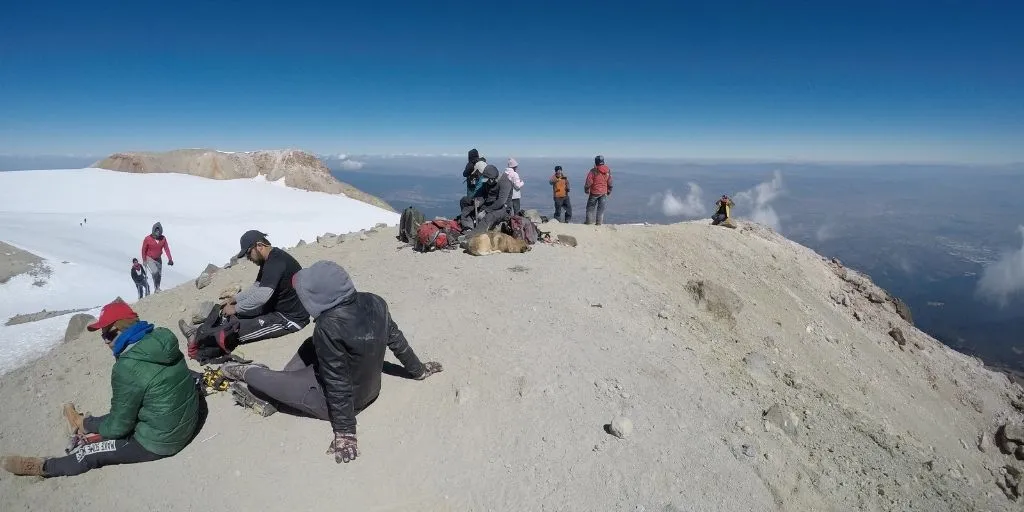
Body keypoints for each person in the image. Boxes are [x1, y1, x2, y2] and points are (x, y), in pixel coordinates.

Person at [218, 260, 443, 463]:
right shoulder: (376, 301)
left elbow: (337, 381)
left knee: (265, 378)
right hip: (371, 391)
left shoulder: (328, 326)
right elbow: (397, 341)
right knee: (310, 344)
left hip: (335, 403)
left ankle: (238, 370)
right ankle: (282, 388)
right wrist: (419, 371)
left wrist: (346, 432)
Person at [0, 300, 200, 478]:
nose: (105, 340)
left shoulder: (127, 367)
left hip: (161, 442)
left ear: (125, 329)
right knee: (119, 414)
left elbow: (119, 427)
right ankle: (81, 423)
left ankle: (43, 466)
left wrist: (108, 430)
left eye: (109, 334)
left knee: (89, 453)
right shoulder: (162, 339)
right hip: (184, 421)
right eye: (103, 335)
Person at [179, 230, 310, 363]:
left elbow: (262, 296)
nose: (248, 258)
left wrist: (236, 308)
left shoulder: (276, 262)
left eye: (248, 253)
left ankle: (200, 352)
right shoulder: (269, 260)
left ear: (259, 246)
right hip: (274, 308)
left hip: (289, 318)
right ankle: (198, 333)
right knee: (226, 314)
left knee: (234, 333)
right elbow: (257, 287)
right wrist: (235, 299)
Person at [458, 164, 513, 237]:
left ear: (493, 178)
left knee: (489, 216)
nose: (487, 182)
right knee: (466, 207)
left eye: (489, 180)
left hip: (503, 208)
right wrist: (478, 201)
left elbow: (501, 201)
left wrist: (485, 211)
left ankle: (474, 235)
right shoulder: (488, 180)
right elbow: (483, 194)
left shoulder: (505, 182)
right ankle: (468, 228)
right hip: (489, 204)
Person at [140, 222, 173, 293]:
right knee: (155, 272)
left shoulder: (163, 239)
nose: (157, 232)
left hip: (158, 259)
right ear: (153, 230)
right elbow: (143, 250)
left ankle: (157, 288)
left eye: (159, 231)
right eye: (156, 230)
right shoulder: (147, 239)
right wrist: (144, 260)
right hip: (150, 258)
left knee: (159, 274)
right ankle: (156, 287)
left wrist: (170, 259)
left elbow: (166, 248)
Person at [584, 155, 613, 225]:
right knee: (601, 209)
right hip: (603, 192)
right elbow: (610, 182)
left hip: (594, 192)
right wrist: (609, 190)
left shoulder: (593, 170)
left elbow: (589, 181)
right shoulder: (608, 170)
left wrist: (586, 189)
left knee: (590, 208)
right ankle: (599, 223)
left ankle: (589, 223)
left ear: (596, 162)